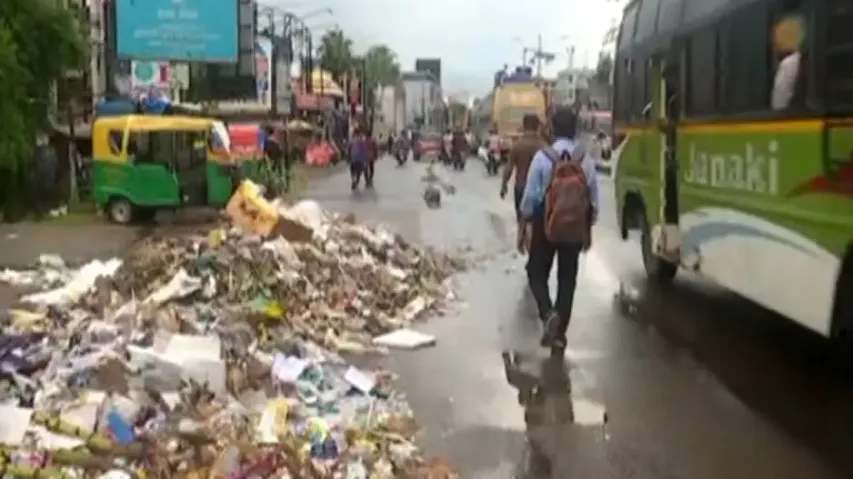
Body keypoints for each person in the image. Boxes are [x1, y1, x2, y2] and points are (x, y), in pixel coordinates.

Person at [518, 106, 599, 351]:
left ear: (551, 128)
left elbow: (530, 198)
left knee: (535, 271)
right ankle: (560, 334)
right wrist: (587, 230)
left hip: (546, 223)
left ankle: (547, 313)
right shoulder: (585, 159)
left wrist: (523, 227)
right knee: (567, 279)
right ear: (575, 129)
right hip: (575, 225)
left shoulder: (544, 158)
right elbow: (593, 202)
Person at [501, 114, 544, 221]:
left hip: (521, 187)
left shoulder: (517, 146)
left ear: (524, 126)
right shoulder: (543, 146)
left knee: (521, 220)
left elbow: (509, 167)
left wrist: (504, 185)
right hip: (539, 191)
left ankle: (521, 235)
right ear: (537, 126)